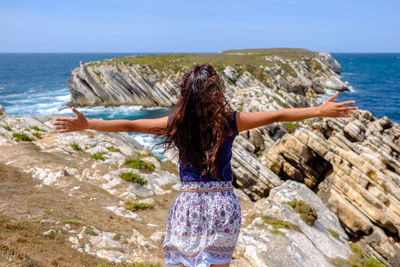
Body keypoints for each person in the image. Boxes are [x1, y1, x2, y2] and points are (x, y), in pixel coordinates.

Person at [52, 63, 358, 267]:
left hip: (189, 205)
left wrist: (88, 123)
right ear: (215, 92)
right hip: (223, 205)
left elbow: (131, 124)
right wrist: (320, 109)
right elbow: (278, 115)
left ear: (185, 93)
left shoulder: (175, 123)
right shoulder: (230, 121)